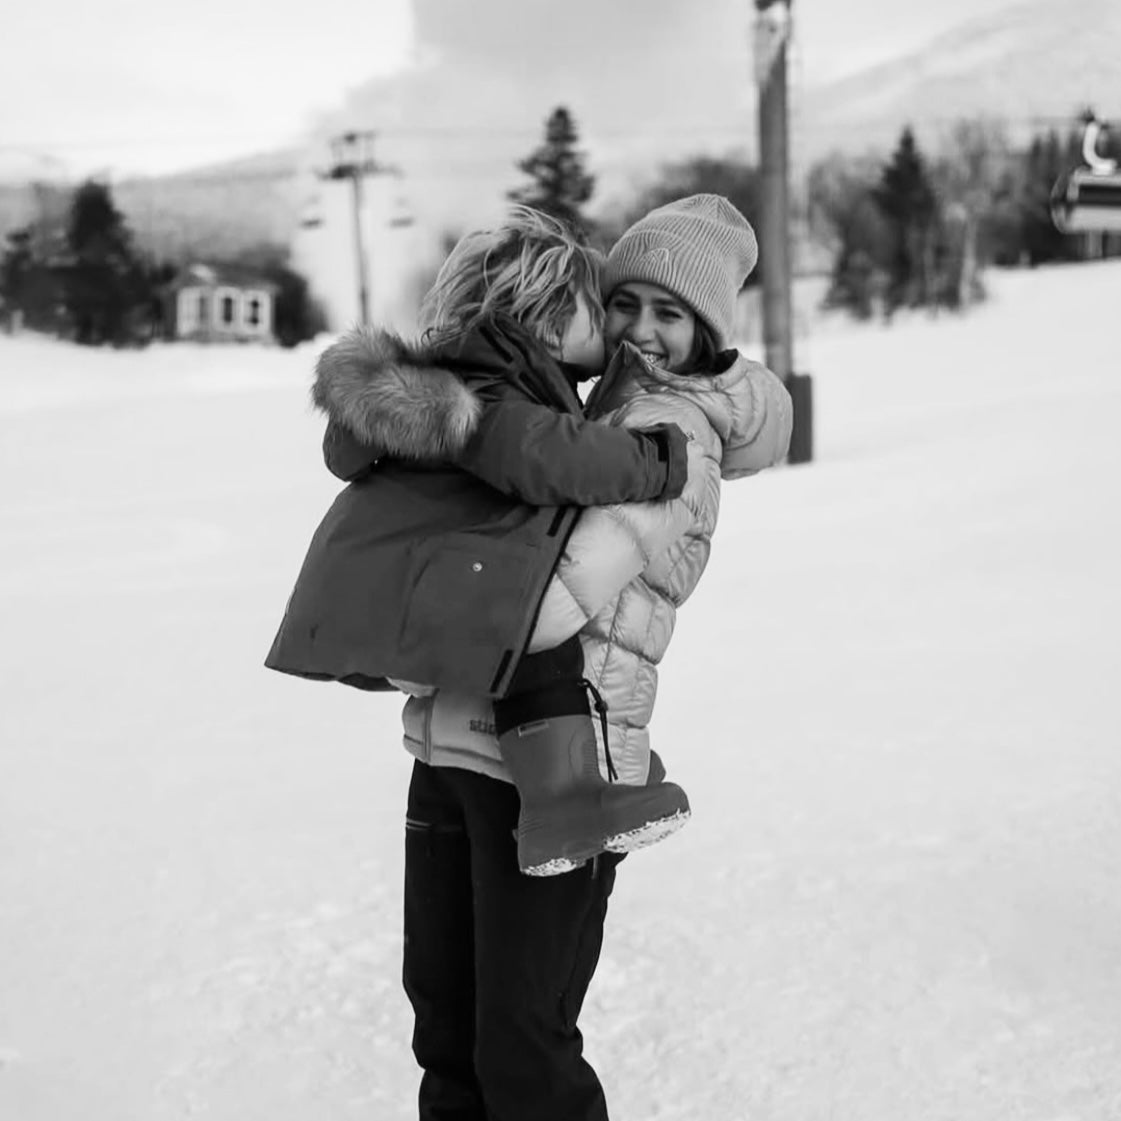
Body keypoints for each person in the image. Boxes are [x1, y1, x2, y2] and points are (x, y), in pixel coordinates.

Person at [266, 208, 700, 877]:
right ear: (551, 318)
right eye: (596, 310)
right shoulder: (493, 395)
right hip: (414, 591)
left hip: (377, 588)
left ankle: (592, 772)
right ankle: (565, 806)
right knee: (537, 647)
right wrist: (657, 459)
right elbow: (550, 458)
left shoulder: (458, 376)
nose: (612, 330)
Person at [417, 194, 793, 877]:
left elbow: (551, 602)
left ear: (704, 330)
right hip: (482, 740)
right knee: (443, 985)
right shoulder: (590, 406)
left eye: (669, 313)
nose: (640, 329)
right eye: (625, 303)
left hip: (570, 767)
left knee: (522, 987)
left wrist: (424, 638)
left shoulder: (669, 434)